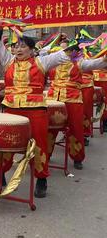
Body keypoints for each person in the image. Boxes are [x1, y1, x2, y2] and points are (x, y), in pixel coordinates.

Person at [0, 26, 70, 198]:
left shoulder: (42, 62)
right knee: (5, 143)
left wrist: (68, 44)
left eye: (23, 46)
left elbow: (65, 55)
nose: (18, 49)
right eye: (16, 46)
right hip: (11, 110)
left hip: (36, 111)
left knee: (39, 144)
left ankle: (41, 179)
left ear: (32, 49)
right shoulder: (8, 60)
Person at [46, 39, 107, 169]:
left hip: (72, 99)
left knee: (75, 129)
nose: (64, 52)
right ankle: (45, 154)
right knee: (49, 128)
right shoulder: (51, 62)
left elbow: (94, 63)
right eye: (61, 49)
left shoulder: (78, 63)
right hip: (53, 98)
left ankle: (77, 158)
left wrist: (104, 58)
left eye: (67, 49)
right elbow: (40, 54)